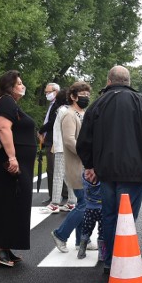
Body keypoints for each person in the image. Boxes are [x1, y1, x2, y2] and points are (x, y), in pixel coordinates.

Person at [77, 65, 142, 273]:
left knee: (109, 215)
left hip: (105, 171)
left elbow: (84, 139)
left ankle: (109, 260)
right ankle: (123, 259)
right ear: (129, 81)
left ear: (108, 81)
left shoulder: (97, 104)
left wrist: (89, 165)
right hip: (134, 171)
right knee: (127, 217)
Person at [0, 70, 36, 266]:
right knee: (6, 202)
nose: (22, 86)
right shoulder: (6, 101)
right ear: (9, 86)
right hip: (7, 163)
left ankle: (7, 245)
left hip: (15, 162)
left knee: (15, 203)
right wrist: (13, 157)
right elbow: (3, 128)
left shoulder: (10, 103)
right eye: (19, 83)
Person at [51, 82, 95, 253]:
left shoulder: (82, 113)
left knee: (86, 203)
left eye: (87, 94)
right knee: (84, 203)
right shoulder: (69, 114)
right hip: (76, 165)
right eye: (82, 94)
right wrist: (86, 155)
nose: (86, 97)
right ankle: (60, 234)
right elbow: (69, 140)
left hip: (85, 166)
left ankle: (81, 240)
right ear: (73, 96)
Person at [43, 89, 76, 213]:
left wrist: (55, 145)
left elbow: (58, 131)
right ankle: (72, 202)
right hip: (69, 147)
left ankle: (55, 203)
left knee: (58, 175)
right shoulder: (72, 111)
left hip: (61, 147)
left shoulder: (61, 111)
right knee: (69, 175)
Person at [39, 82, 68, 203]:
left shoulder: (58, 106)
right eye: (46, 92)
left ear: (56, 92)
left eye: (48, 92)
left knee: (52, 169)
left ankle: (54, 196)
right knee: (58, 168)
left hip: (54, 141)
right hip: (50, 139)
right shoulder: (53, 104)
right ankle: (64, 193)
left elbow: (52, 122)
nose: (47, 94)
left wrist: (41, 130)